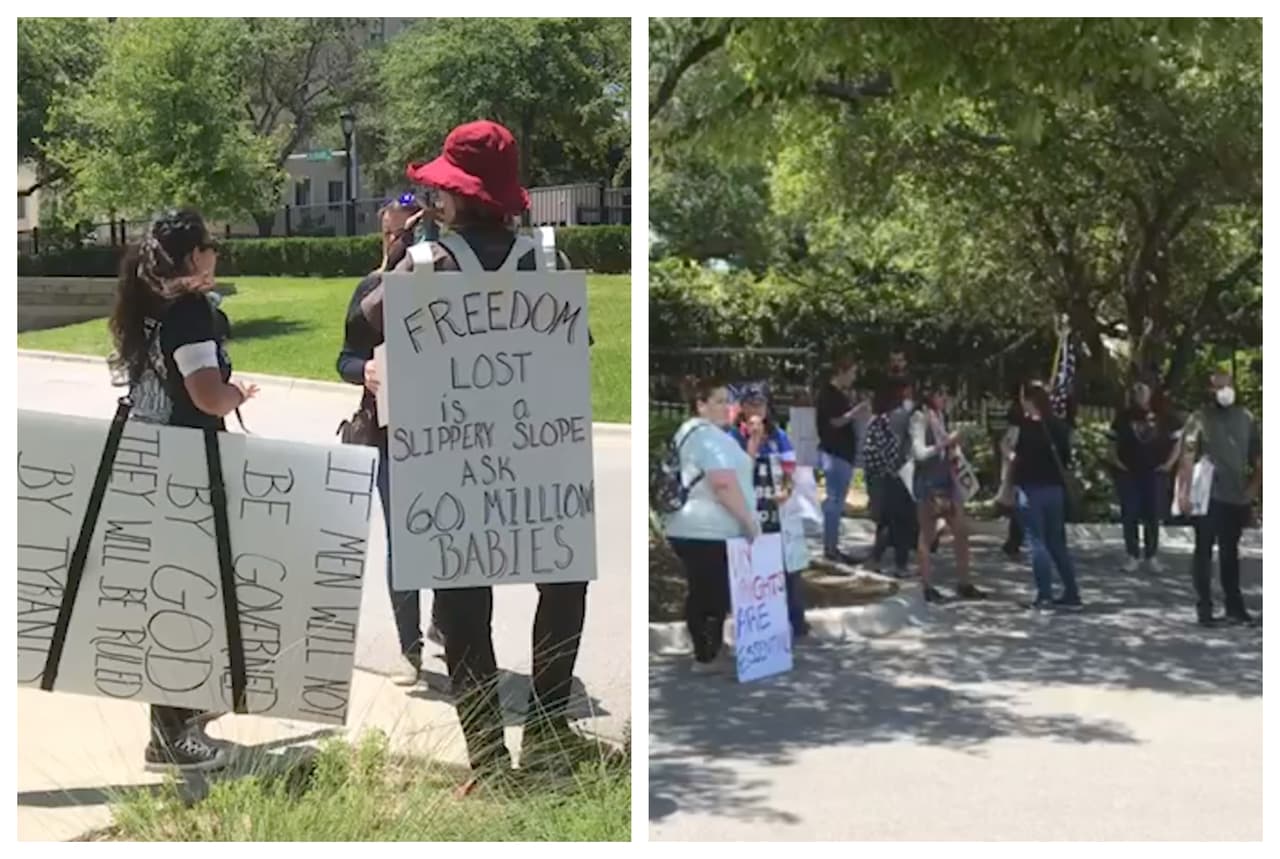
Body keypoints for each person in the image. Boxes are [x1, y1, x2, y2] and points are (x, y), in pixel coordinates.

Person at [346, 120, 607, 783]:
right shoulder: (548, 261)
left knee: (463, 602)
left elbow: (369, 319)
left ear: (457, 198)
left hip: (450, 459)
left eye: (440, 192)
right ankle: (547, 731)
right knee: (563, 575)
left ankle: (489, 759)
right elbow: (577, 347)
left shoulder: (424, 265)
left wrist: (402, 253)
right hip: (540, 452)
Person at [107, 208, 259, 772]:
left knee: (175, 593)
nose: (216, 254)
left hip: (153, 462)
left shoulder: (149, 305)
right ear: (194, 256)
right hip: (187, 470)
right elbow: (205, 395)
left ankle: (181, 716)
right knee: (186, 599)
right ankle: (171, 737)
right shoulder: (191, 313)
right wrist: (237, 392)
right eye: (211, 246)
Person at [336, 195, 443, 687]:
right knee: (403, 539)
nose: (395, 245)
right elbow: (345, 359)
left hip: (449, 431)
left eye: (406, 235)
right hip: (388, 430)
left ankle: (445, 621)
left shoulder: (452, 281)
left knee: (446, 533)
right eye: (390, 235)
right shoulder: (371, 291)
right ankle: (410, 647)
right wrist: (367, 371)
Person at [666, 377, 760, 669]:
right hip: (705, 528)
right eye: (718, 401)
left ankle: (710, 649)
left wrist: (754, 443)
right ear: (701, 406)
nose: (726, 407)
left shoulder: (711, 436)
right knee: (710, 592)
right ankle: (706, 655)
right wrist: (748, 521)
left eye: (728, 401)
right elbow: (723, 483)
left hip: (703, 527)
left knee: (710, 589)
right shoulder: (705, 436)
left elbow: (738, 470)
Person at [1175, 369, 1261, 628]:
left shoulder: (1246, 418)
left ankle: (1234, 606)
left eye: (1227, 384)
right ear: (1210, 390)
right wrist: (1183, 493)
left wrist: (1254, 490)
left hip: (1236, 496)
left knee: (1230, 553)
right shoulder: (1199, 419)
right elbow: (1187, 457)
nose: (1224, 390)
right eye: (1218, 386)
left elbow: (1259, 458)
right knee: (1204, 550)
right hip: (1208, 494)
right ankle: (1205, 607)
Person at [729, 385, 807, 637]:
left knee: (789, 570)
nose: (756, 410)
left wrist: (786, 490)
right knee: (750, 570)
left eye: (761, 404)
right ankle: (756, 627)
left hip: (776, 514)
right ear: (742, 407)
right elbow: (737, 471)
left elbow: (789, 470)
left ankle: (797, 623)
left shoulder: (779, 436)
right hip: (748, 514)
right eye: (751, 404)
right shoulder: (733, 437)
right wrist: (752, 441)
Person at [909, 382, 986, 603]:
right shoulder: (919, 418)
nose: (945, 398)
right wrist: (944, 444)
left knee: (961, 532)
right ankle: (926, 585)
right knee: (927, 534)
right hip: (928, 483)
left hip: (947, 481)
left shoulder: (940, 416)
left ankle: (964, 582)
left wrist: (954, 448)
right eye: (941, 393)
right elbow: (919, 452)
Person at [1011, 381, 1082, 611]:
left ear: (1029, 401)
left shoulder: (1024, 428)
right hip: (1055, 489)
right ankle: (1072, 592)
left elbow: (1015, 457)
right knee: (1057, 543)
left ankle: (1044, 595)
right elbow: (1067, 457)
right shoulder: (1059, 427)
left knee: (1037, 542)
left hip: (1031, 489)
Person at [1111, 380, 1175, 573]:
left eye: (1143, 389)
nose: (1139, 393)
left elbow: (1179, 442)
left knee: (1152, 515)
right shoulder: (1123, 417)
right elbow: (1111, 442)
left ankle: (1151, 555)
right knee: (1129, 514)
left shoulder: (1164, 416)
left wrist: (1170, 463)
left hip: (1155, 473)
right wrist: (1116, 461)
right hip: (1129, 473)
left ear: (1151, 392)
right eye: (1136, 390)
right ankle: (1132, 555)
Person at [816, 358, 869, 564]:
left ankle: (833, 546)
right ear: (841, 371)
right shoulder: (829, 395)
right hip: (835, 453)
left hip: (842, 454)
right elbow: (834, 422)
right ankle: (830, 548)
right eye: (852, 373)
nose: (853, 378)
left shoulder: (838, 395)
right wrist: (855, 413)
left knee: (837, 502)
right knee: (835, 502)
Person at [863, 381, 915, 577]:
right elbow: (896, 449)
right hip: (894, 475)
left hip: (884, 475)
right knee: (899, 521)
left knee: (889, 521)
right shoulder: (892, 419)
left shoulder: (879, 420)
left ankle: (879, 559)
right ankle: (898, 564)